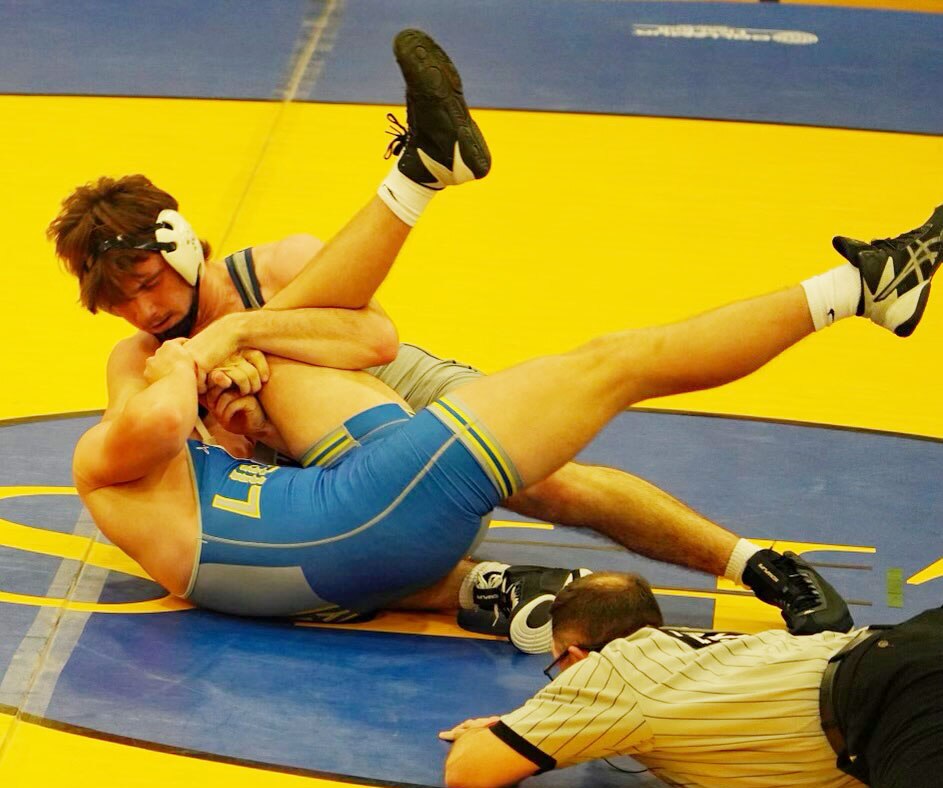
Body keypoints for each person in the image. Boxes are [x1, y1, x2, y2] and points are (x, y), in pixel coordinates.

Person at [49, 31, 858, 639]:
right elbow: (173, 447)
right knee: (360, 535)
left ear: (182, 248)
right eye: (119, 303)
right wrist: (215, 387)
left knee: (551, 483)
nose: (144, 312)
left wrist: (239, 336)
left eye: (147, 286)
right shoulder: (147, 360)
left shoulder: (275, 270)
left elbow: (371, 340)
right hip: (323, 477)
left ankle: (758, 565)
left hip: (378, 392)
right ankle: (419, 179)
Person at [439, 572, 943, 788]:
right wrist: (533, 725)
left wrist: (487, 735)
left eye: (557, 666)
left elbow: (471, 773)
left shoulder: (608, 673)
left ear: (574, 657)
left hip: (897, 699)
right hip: (902, 653)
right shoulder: (695, 655)